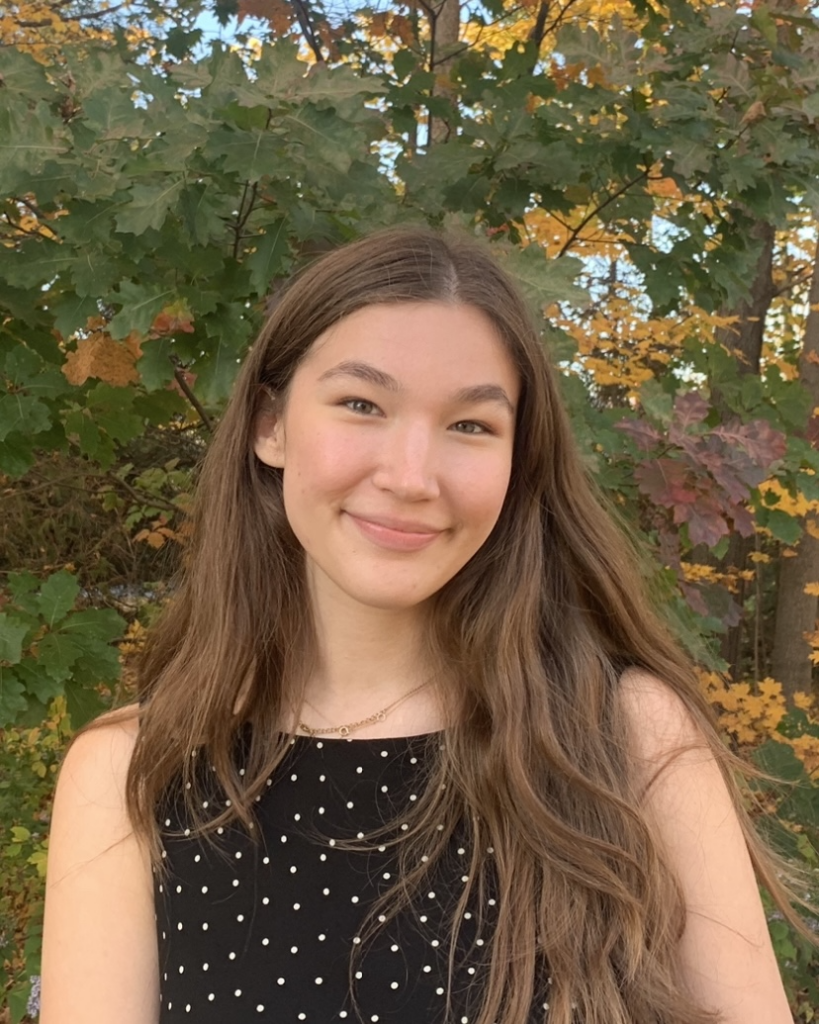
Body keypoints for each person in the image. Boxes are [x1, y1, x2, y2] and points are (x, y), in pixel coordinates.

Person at [40, 227, 802, 1024]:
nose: (410, 477)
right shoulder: (133, 775)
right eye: (361, 405)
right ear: (271, 424)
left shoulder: (626, 737)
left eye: (470, 425)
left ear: (517, 460)